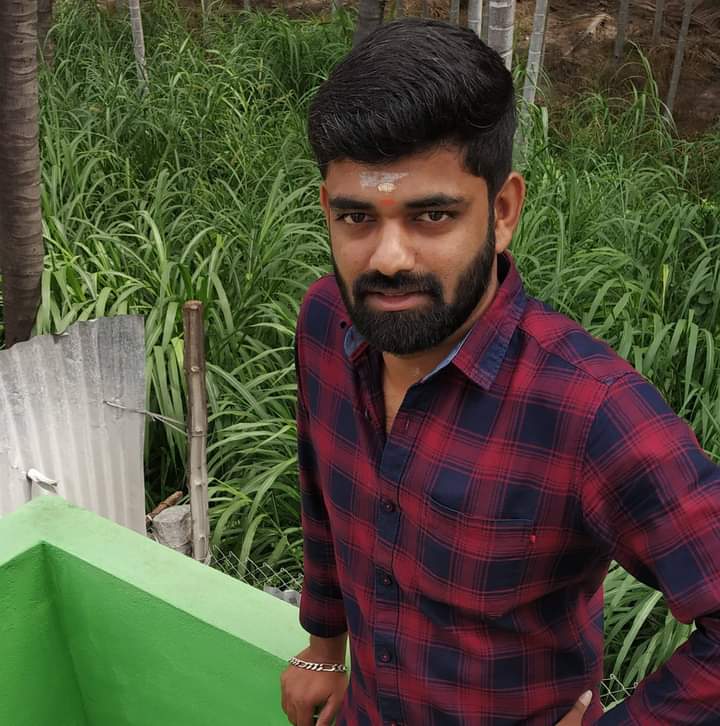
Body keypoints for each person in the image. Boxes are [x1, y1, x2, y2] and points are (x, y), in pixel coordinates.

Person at [280, 18, 720, 726]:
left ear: (503, 210)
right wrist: (325, 647)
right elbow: (321, 497)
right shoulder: (326, 324)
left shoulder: (587, 409)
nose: (387, 258)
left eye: (431, 216)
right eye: (357, 218)